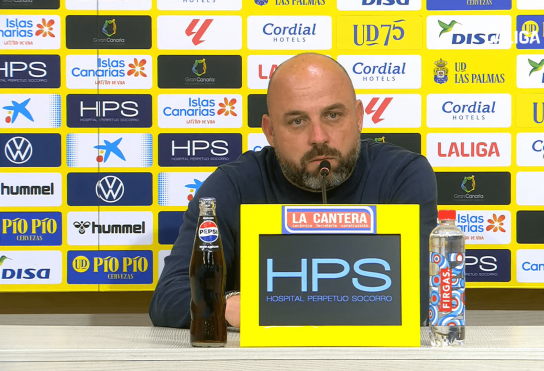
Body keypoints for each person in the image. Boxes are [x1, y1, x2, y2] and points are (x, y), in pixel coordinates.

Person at [150, 53, 437, 328]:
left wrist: (277, 306)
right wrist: (231, 306)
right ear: (270, 132)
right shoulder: (233, 184)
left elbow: (421, 296)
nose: (319, 137)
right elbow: (170, 297)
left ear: (359, 117)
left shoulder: (402, 175)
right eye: (297, 121)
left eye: (333, 115)